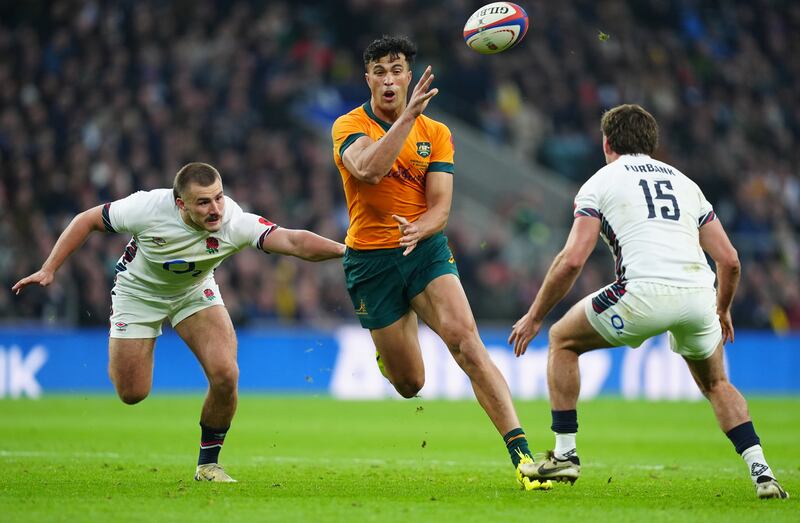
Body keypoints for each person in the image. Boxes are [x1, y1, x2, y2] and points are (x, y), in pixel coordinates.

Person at [508, 104, 789, 499]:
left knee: (562, 339)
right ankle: (762, 473)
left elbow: (572, 260)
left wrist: (535, 315)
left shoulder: (600, 182)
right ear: (652, 144)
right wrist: (722, 308)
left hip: (641, 294)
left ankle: (565, 455)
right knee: (716, 384)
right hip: (698, 296)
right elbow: (730, 260)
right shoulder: (686, 184)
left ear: (607, 143)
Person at [12, 162, 346, 483]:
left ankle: (208, 464)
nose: (215, 209)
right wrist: (49, 268)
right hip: (138, 293)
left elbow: (293, 241)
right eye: (203, 202)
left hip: (193, 292)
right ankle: (128, 344)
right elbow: (86, 220)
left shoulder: (234, 220)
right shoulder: (146, 208)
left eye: (218, 197)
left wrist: (346, 251)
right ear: (180, 204)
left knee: (226, 374)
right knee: (132, 393)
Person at [330, 35, 547, 490]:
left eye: (397, 71)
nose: (389, 80)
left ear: (409, 76)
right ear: (368, 79)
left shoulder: (437, 134)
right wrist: (407, 118)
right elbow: (368, 170)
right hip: (370, 261)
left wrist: (421, 228)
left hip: (423, 251)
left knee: (466, 342)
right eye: (380, 72)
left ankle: (523, 456)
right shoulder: (348, 125)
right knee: (410, 383)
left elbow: (441, 208)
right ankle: (390, 349)